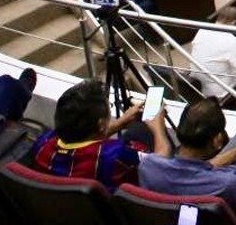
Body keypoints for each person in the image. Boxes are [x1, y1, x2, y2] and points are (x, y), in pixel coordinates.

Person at [32, 79, 169, 188]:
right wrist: (158, 128)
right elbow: (160, 164)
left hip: (70, 208)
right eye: (109, 106)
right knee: (144, 131)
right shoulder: (115, 155)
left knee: (137, 130)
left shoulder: (43, 143)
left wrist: (120, 123)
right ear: (101, 125)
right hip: (118, 206)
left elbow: (81, 141)